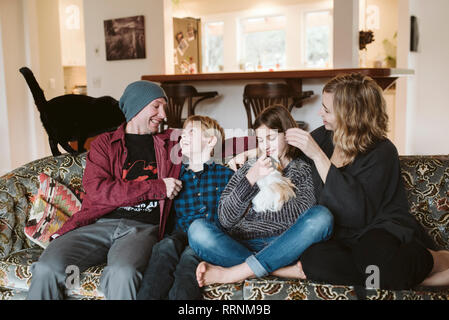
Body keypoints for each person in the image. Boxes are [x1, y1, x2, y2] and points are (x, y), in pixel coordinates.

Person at [285, 73, 449, 289]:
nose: (319, 113)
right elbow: (284, 154)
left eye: (326, 110)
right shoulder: (324, 137)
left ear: (349, 115)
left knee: (372, 262)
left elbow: (356, 213)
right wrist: (249, 153)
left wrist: (318, 156)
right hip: (340, 233)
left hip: (378, 228)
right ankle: (413, 280)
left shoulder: (381, 151)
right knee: (315, 260)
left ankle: (437, 259)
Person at [27, 80, 183, 300]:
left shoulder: (171, 142)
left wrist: (247, 151)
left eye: (164, 107)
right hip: (97, 223)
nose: (164, 114)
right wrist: (157, 187)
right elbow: (98, 190)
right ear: (137, 106)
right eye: (156, 106)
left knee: (123, 273)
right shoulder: (104, 144)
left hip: (142, 228)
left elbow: (215, 140)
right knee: (47, 268)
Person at [189, 105, 334, 287]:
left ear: (287, 135)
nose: (265, 146)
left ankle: (237, 271)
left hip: (284, 244)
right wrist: (251, 179)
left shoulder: (301, 169)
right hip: (243, 244)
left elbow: (298, 215)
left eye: (271, 138)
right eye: (260, 140)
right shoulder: (249, 168)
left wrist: (254, 209)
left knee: (322, 217)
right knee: (197, 230)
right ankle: (278, 270)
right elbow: (225, 218)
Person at [136, 115, 235, 300]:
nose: (184, 136)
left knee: (189, 258)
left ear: (211, 140)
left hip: (207, 238)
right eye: (183, 132)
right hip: (179, 233)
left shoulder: (226, 174)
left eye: (192, 132)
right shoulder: (175, 174)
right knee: (164, 247)